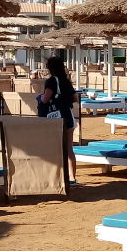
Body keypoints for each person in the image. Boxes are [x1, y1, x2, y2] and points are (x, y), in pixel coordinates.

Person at [39, 55, 78, 187]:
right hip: (68, 116)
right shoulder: (66, 81)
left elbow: (45, 99)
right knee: (69, 149)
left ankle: (56, 177)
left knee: (55, 148)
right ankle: (72, 178)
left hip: (55, 119)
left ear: (50, 68)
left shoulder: (51, 81)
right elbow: (75, 98)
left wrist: (40, 98)